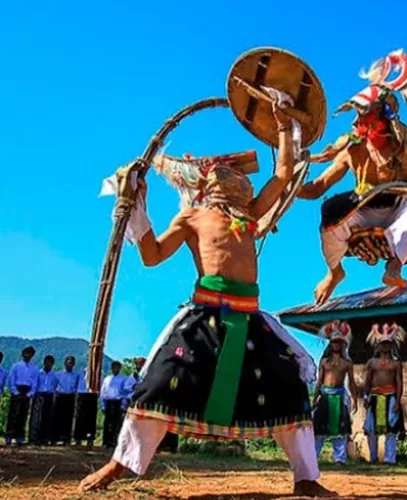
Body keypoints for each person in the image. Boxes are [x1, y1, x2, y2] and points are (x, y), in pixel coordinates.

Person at [79, 96, 335, 497]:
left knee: (288, 387)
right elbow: (151, 256)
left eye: (239, 173)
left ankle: (306, 478)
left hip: (251, 317)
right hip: (204, 316)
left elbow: (284, 173)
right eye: (224, 171)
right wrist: (134, 204)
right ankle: (120, 463)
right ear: (207, 183)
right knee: (160, 383)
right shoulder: (192, 217)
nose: (235, 177)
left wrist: (283, 124)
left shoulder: (250, 215)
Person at [298, 50, 407, 304]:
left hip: (399, 215)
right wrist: (287, 184)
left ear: (384, 119)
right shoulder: (352, 150)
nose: (358, 120)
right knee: (329, 210)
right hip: (362, 215)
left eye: (365, 115)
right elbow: (317, 187)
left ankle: (395, 264)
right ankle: (335, 273)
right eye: (358, 115)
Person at [312, 321, 357, 464]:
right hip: (325, 395)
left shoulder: (347, 363)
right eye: (334, 342)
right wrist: (315, 397)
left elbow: (351, 382)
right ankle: (313, 457)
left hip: (340, 395)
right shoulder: (324, 361)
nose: (337, 345)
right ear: (330, 344)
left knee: (341, 429)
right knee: (318, 428)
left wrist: (355, 399)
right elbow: (319, 380)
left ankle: (340, 458)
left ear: (343, 344)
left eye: (339, 342)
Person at [362, 322, 406, 465]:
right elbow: (367, 381)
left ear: (392, 345)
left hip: (391, 396)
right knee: (371, 429)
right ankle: (373, 457)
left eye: (388, 344)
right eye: (383, 344)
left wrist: (398, 400)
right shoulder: (372, 362)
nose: (385, 346)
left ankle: (390, 458)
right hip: (374, 396)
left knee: (391, 429)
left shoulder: (396, 363)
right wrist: (365, 396)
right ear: (378, 346)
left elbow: (399, 381)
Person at [5, 346, 38, 445]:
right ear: (22, 354)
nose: (28, 355)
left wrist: (29, 394)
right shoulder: (15, 366)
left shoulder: (34, 368)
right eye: (26, 353)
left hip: (27, 391)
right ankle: (9, 436)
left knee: (23, 415)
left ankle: (20, 437)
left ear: (32, 355)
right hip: (17, 390)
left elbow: (35, 383)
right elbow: (11, 380)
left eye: (30, 354)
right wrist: (16, 392)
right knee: (13, 415)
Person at [51, 356, 81, 445]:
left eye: (71, 363)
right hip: (60, 396)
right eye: (68, 362)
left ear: (74, 364)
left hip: (70, 397)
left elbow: (76, 387)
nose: (70, 364)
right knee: (57, 418)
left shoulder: (76, 375)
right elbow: (53, 386)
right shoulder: (58, 374)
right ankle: (54, 438)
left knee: (68, 418)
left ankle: (66, 438)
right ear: (65, 363)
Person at [29, 355, 58, 445]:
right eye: (47, 362)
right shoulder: (38, 373)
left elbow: (54, 386)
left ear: (52, 364)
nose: (48, 364)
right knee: (36, 418)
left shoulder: (54, 375)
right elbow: (34, 385)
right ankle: (33, 439)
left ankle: (44, 438)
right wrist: (33, 395)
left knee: (47, 418)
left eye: (50, 363)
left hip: (49, 396)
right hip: (39, 395)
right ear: (44, 362)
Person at [100, 361, 129, 448]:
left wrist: (123, 405)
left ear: (120, 368)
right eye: (113, 367)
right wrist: (102, 405)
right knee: (107, 422)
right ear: (111, 368)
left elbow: (125, 393)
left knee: (117, 423)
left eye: (117, 367)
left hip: (118, 402)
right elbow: (103, 392)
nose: (115, 369)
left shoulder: (124, 379)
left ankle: (114, 442)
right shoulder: (107, 379)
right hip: (108, 402)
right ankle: (106, 441)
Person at [74, 368, 98, 447]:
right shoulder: (80, 373)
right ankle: (78, 438)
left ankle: (90, 438)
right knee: (80, 417)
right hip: (82, 394)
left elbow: (99, 385)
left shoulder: (98, 372)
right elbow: (76, 384)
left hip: (92, 394)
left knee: (91, 418)